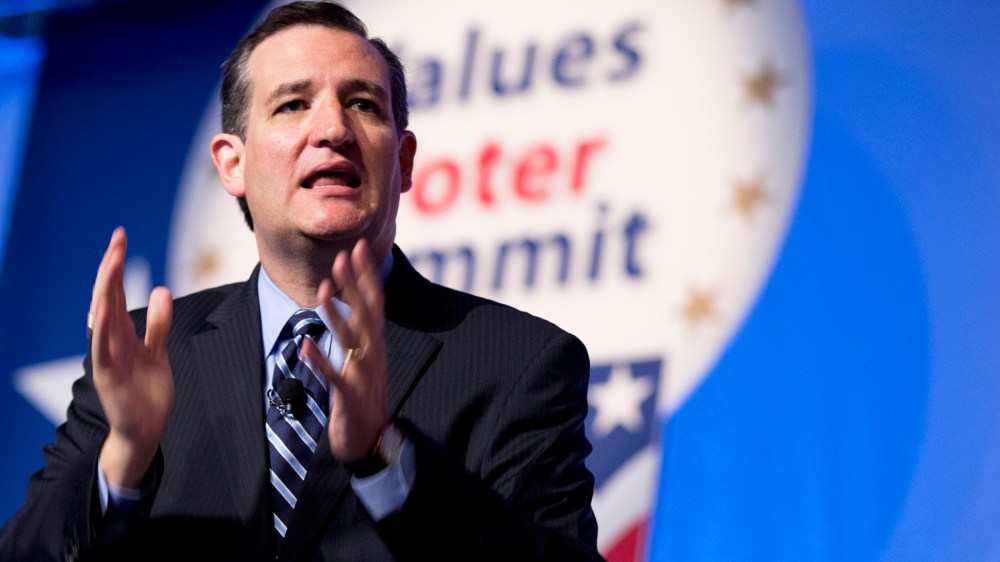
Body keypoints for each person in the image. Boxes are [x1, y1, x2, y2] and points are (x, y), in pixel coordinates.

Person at [0, 2, 602, 561]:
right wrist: (123, 457)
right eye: (292, 104)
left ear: (405, 161)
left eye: (363, 104)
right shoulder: (148, 354)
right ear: (232, 164)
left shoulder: (521, 361)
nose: (334, 128)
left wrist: (383, 457)